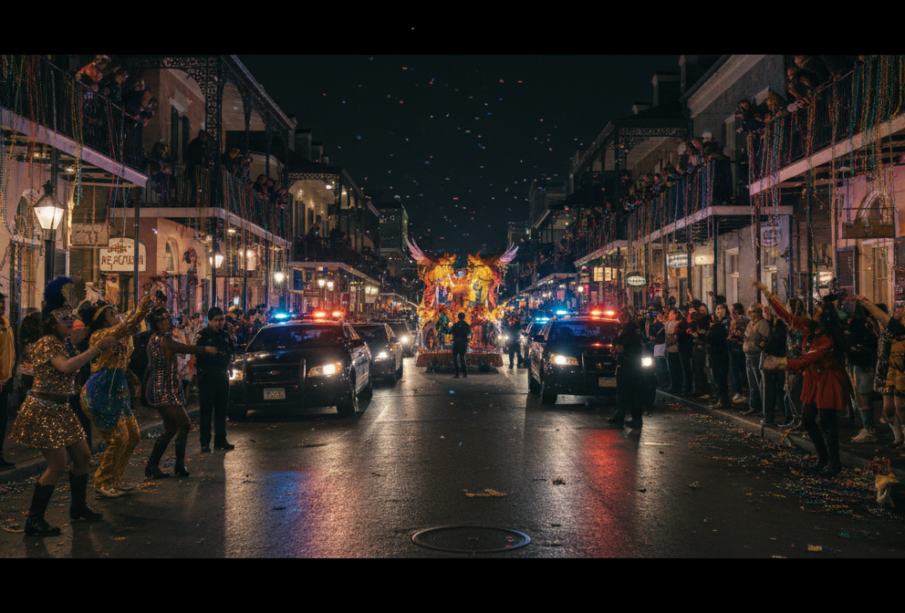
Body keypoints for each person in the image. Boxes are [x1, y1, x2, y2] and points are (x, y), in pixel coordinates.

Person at [8, 277, 116, 535]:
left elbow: (78, 344)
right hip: (44, 409)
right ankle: (33, 520)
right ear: (51, 323)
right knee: (56, 466)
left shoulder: (63, 342)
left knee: (83, 457)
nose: (70, 322)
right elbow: (66, 366)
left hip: (62, 409)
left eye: (71, 318)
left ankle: (77, 508)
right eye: (65, 319)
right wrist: (97, 347)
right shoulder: (47, 343)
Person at [760, 282, 851, 476]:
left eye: (818, 311)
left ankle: (834, 464)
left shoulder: (827, 339)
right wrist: (770, 297)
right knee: (808, 419)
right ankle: (823, 458)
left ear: (825, 318)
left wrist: (779, 363)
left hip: (828, 379)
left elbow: (805, 360)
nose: (814, 313)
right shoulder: (810, 327)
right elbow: (789, 318)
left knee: (827, 421)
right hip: (813, 379)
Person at [80, 285, 156, 497]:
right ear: (103, 320)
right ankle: (102, 482)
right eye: (111, 313)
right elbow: (129, 325)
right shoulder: (100, 335)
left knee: (133, 436)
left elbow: (121, 362)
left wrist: (132, 379)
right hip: (100, 391)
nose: (116, 315)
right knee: (118, 437)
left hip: (118, 391)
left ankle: (115, 479)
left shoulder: (117, 337)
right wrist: (144, 303)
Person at [144, 308, 217, 478]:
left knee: (170, 429)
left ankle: (153, 466)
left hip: (163, 388)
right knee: (184, 424)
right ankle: (178, 464)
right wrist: (206, 349)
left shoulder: (154, 340)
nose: (167, 323)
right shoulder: (163, 341)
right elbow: (184, 348)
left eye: (167, 320)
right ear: (157, 325)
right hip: (164, 390)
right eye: (163, 321)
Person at [856, 296, 905, 448]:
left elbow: (886, 321)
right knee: (888, 408)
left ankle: (903, 438)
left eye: (901, 309)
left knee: (901, 405)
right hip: (885, 368)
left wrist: (865, 302)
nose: (898, 310)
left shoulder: (897, 326)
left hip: (899, 368)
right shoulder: (882, 325)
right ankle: (898, 437)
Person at [193, 307, 236, 452]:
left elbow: (231, 351)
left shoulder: (225, 336)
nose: (219, 323)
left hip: (222, 376)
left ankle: (220, 440)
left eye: (221, 320)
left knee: (221, 410)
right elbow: (196, 353)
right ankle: (205, 443)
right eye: (216, 320)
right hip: (207, 377)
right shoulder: (202, 336)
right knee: (206, 411)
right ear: (210, 320)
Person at [846, 301, 879, 442]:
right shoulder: (870, 324)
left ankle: (869, 430)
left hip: (862, 363)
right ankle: (867, 427)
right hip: (861, 363)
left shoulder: (861, 324)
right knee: (861, 396)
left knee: (863, 396)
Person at [608, 311, 645, 429]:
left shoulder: (629, 332)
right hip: (629, 365)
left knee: (629, 394)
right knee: (627, 394)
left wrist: (618, 348)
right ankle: (621, 416)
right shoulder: (628, 331)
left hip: (629, 365)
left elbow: (622, 347)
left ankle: (633, 419)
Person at [781, 297, 807, 429]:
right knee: (789, 392)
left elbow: (798, 343)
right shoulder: (792, 323)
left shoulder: (799, 324)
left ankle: (800, 419)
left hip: (796, 363)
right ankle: (794, 418)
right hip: (791, 361)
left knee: (795, 392)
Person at [759, 305, 787, 426]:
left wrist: (765, 344)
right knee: (769, 388)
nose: (766, 313)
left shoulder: (780, 326)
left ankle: (775, 415)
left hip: (777, 359)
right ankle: (770, 415)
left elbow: (777, 342)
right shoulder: (769, 325)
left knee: (775, 389)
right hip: (771, 359)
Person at [742, 303, 770, 416]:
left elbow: (765, 339)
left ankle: (762, 408)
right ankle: (753, 405)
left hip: (756, 356)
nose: (748, 313)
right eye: (748, 311)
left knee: (759, 383)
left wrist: (758, 344)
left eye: (752, 311)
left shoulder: (762, 324)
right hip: (748, 356)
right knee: (752, 383)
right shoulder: (750, 323)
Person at [702, 303, 731, 410]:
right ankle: (720, 399)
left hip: (720, 353)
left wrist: (707, 334)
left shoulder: (724, 323)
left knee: (721, 378)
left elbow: (716, 338)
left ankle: (724, 400)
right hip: (714, 354)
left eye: (721, 309)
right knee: (717, 379)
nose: (718, 311)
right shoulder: (716, 324)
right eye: (717, 309)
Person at [0, 292, 15, 470]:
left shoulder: (5, 324)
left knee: (2, 421)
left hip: (6, 380)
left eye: (3, 302)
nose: (2, 306)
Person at [728, 303, 749, 403]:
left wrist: (735, 335)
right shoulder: (733, 321)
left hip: (738, 347)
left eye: (734, 310)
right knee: (737, 370)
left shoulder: (741, 320)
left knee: (737, 370)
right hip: (735, 347)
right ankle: (740, 392)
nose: (732, 312)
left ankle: (740, 392)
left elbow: (741, 335)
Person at [663, 309, 682, 393]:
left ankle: (676, 385)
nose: (670, 316)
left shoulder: (677, 323)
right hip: (668, 348)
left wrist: (669, 338)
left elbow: (671, 335)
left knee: (675, 368)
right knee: (670, 368)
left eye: (671, 314)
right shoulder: (667, 323)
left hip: (674, 348)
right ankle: (673, 384)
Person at [451, 313, 471, 378]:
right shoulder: (466, 325)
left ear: (458, 317)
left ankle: (457, 373)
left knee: (455, 358)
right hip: (463, 343)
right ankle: (464, 373)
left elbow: (452, 333)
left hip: (456, 343)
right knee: (462, 357)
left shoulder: (455, 325)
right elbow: (469, 334)